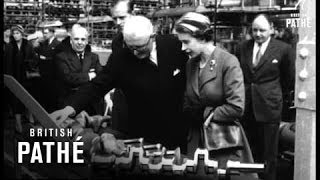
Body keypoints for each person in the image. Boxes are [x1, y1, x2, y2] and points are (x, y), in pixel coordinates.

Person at [51, 15, 189, 152]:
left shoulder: (175, 46)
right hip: (143, 131)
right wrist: (69, 109)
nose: (135, 53)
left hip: (177, 127)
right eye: (131, 47)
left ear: (152, 37)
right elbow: (96, 86)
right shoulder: (121, 58)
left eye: (140, 47)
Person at [173, 12, 254, 170]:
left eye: (186, 42)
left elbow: (237, 107)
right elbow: (187, 100)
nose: (183, 48)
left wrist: (205, 113)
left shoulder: (228, 62)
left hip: (222, 143)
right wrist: (188, 110)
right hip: (195, 141)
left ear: (202, 37)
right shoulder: (191, 64)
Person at [236, 14, 295, 180]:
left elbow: (288, 80)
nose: (258, 34)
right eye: (255, 30)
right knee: (248, 152)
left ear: (272, 29)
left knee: (269, 154)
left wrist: (272, 95)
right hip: (246, 107)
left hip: (270, 108)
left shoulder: (284, 49)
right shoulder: (243, 47)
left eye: (262, 30)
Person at [54, 25, 103, 116]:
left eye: (83, 39)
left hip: (91, 103)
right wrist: (89, 76)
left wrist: (80, 77)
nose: (79, 42)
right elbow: (68, 78)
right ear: (71, 41)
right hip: (70, 103)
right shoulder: (61, 57)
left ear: (87, 41)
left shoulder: (93, 57)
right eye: (76, 39)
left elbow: (100, 78)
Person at [4, 25, 37, 132]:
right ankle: (18, 123)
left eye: (17, 33)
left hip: (26, 76)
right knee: (15, 99)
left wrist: (30, 67)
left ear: (21, 34)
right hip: (14, 76)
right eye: (14, 33)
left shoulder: (28, 44)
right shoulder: (9, 46)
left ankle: (30, 115)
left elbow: (33, 58)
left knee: (28, 97)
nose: (16, 35)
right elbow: (6, 63)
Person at [38, 27, 61, 112]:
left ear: (52, 33)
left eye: (46, 33)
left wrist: (46, 58)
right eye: (44, 33)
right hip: (44, 73)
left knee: (53, 95)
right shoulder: (43, 43)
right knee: (45, 95)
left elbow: (59, 59)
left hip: (53, 74)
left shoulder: (58, 44)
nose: (44, 34)